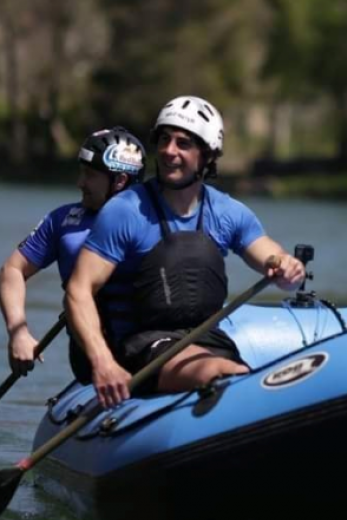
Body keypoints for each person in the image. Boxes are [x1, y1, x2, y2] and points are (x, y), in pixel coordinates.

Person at [66, 95, 305, 409]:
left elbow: (268, 254)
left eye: (183, 144)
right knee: (214, 369)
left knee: (222, 363)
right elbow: (79, 289)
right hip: (139, 347)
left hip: (206, 340)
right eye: (164, 140)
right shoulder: (125, 211)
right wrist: (102, 362)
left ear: (207, 156)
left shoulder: (227, 212)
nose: (168, 151)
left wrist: (285, 266)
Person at [0, 127, 146, 382]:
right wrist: (18, 331)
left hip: (147, 343)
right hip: (88, 351)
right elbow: (12, 270)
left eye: (89, 175)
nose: (80, 183)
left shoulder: (154, 220)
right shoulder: (63, 220)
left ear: (120, 180)